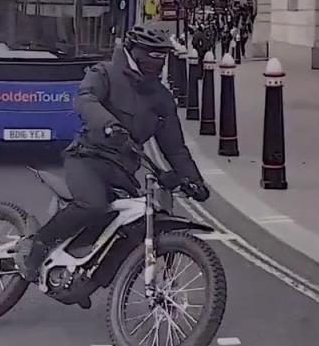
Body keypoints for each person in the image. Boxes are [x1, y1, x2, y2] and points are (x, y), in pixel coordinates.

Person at [16, 25, 210, 284]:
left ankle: (89, 280)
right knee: (92, 204)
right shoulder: (104, 73)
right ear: (133, 52)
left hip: (123, 170)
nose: (157, 62)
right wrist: (108, 124)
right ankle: (38, 246)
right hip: (88, 158)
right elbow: (85, 100)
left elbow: (174, 147)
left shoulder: (162, 98)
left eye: (161, 56)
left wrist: (194, 180)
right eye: (151, 55)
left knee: (133, 226)